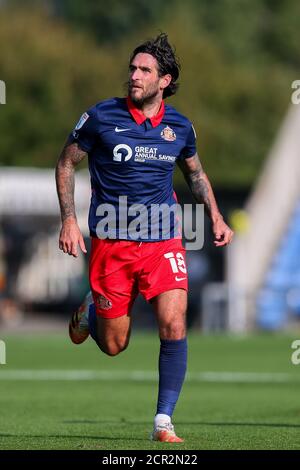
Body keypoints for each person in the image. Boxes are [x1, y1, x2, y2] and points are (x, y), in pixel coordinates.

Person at [55, 33, 234, 443]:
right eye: (132, 69)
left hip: (163, 240)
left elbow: (195, 174)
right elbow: (66, 164)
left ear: (164, 80)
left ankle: (162, 422)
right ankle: (91, 312)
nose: (134, 76)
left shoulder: (180, 127)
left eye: (144, 71)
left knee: (174, 323)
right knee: (115, 345)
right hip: (111, 245)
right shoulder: (101, 117)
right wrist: (68, 220)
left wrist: (216, 217)